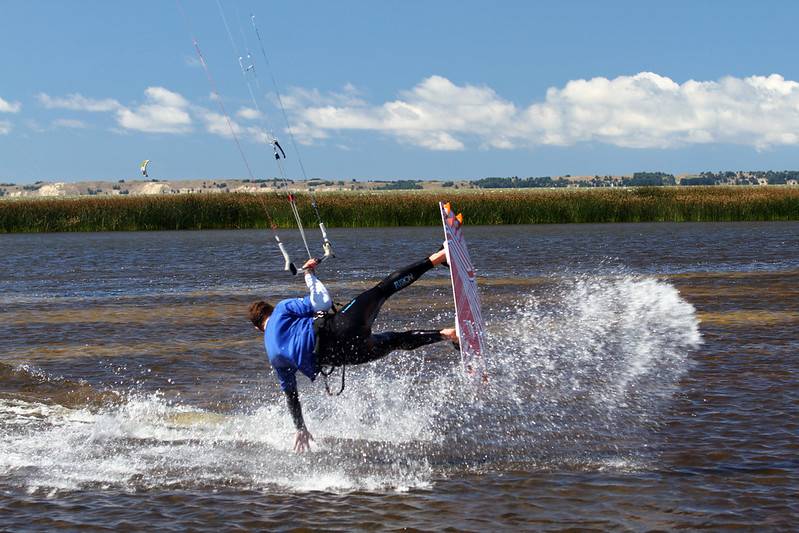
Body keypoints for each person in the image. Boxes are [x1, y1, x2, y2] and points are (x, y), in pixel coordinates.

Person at [249, 247, 457, 452]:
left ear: (259, 329)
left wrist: (300, 428)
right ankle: (440, 257)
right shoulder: (282, 310)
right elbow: (322, 302)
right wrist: (309, 275)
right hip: (343, 325)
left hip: (348, 355)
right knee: (384, 289)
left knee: (393, 341)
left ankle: (446, 335)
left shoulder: (274, 357)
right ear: (271, 310)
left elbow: (291, 396)